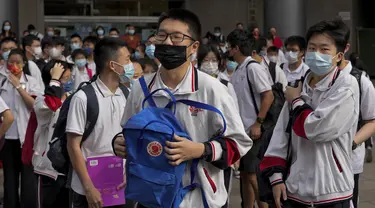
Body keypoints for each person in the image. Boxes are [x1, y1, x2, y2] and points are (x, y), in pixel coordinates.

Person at [113, 8, 252, 208]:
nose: (168, 42)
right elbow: (128, 131)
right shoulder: (140, 88)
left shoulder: (213, 90)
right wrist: (120, 142)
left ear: (193, 46)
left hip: (200, 199)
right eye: (162, 35)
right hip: (153, 197)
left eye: (177, 37)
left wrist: (200, 149)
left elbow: (239, 143)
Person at [262, 19, 360, 208]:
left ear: (339, 55)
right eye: (312, 48)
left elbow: (317, 129)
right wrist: (275, 177)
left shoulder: (346, 85)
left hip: (333, 191)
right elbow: (281, 132)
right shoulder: (299, 85)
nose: (316, 54)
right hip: (295, 189)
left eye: (324, 49)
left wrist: (296, 101)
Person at [66, 38, 133, 208]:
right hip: (87, 189)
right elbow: (73, 146)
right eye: (127, 60)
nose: (130, 64)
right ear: (113, 65)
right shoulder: (83, 97)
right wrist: (89, 188)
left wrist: (128, 172)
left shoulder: (128, 95)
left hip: (120, 185)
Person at [227, 29, 274, 208]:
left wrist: (258, 123)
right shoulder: (239, 69)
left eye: (230, 47)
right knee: (246, 174)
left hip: (254, 130)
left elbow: (268, 95)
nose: (228, 51)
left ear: (236, 48)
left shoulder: (252, 67)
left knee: (254, 174)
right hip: (243, 131)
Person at [0, 49, 43, 208]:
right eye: (11, 62)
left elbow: (35, 106)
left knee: (28, 178)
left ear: (24, 64)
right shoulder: (2, 82)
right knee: (9, 177)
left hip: (27, 137)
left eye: (18, 62)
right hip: (8, 137)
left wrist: (19, 87)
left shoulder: (32, 82)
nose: (14, 65)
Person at [337, 27, 375, 208]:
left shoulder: (361, 81)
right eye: (313, 48)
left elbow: (371, 120)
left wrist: (353, 141)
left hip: (349, 158)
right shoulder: (311, 78)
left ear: (344, 49)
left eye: (325, 48)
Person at [33, 61, 73, 208]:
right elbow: (52, 104)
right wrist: (55, 79)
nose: (69, 82)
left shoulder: (74, 99)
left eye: (70, 77)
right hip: (48, 170)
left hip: (69, 170)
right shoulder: (40, 101)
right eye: (65, 78)